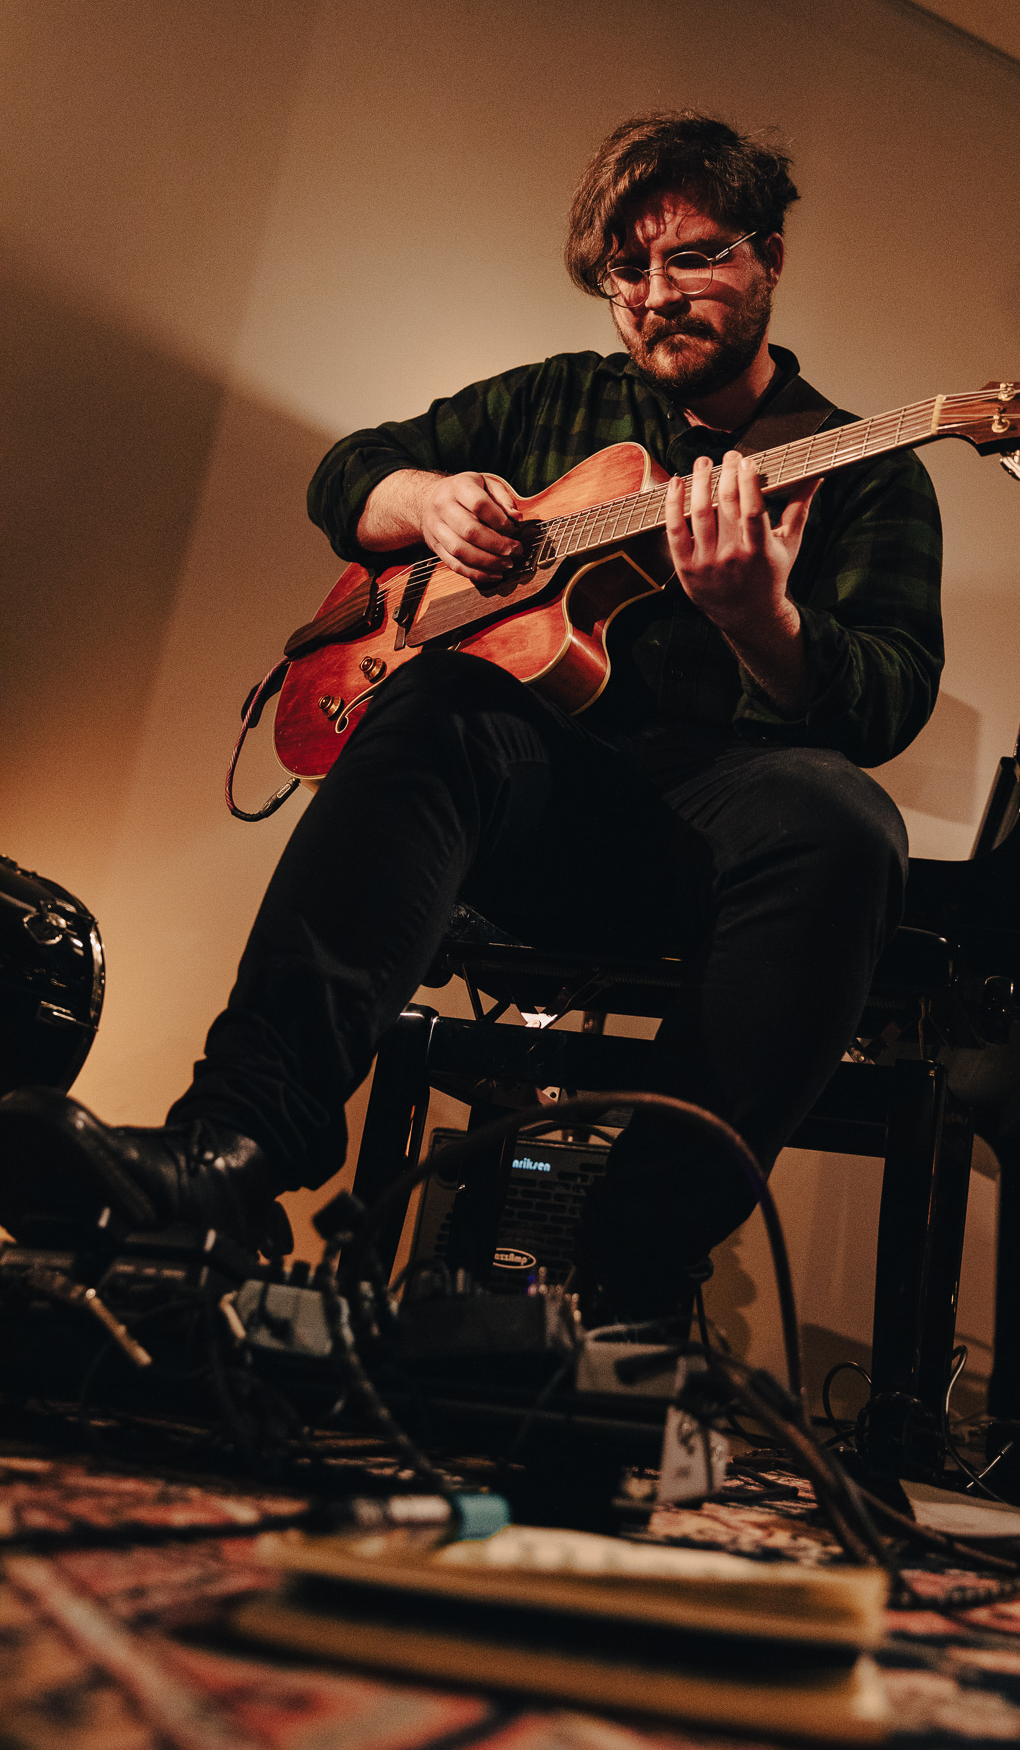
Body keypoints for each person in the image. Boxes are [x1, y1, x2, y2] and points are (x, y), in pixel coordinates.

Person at [0, 112, 944, 1322]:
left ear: (769, 255)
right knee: (443, 691)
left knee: (847, 823)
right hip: (522, 806)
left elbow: (887, 697)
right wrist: (425, 499)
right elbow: (346, 474)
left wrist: (764, 618)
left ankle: (635, 1262)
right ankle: (231, 1152)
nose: (657, 294)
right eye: (627, 271)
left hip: (709, 834)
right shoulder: (554, 400)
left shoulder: (867, 469)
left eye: (695, 257)